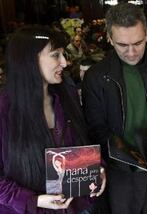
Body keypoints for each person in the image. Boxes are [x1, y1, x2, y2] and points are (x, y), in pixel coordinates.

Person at [82, 3, 147, 214]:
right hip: (119, 171)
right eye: (122, 45)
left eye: (138, 42)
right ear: (109, 39)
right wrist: (126, 155)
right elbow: (95, 128)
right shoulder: (96, 76)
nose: (131, 52)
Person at [0, 25, 105, 213]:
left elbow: (83, 143)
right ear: (29, 60)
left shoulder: (67, 95)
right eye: (56, 55)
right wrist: (34, 200)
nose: (65, 63)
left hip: (76, 207)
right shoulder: (5, 109)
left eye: (63, 55)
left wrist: (98, 170)